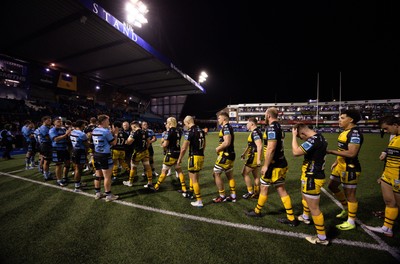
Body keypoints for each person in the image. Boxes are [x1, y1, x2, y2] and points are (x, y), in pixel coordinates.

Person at [245, 107, 297, 227]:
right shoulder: (279, 126)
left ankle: (258, 212)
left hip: (274, 165)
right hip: (280, 162)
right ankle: (290, 217)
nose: (264, 117)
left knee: (271, 189)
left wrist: (266, 165)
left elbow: (271, 148)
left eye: (265, 115)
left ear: (269, 115)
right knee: (274, 188)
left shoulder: (272, 127)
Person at [291, 123, 329, 245]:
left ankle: (322, 238)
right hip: (316, 175)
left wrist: (292, 136)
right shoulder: (321, 137)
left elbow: (296, 152)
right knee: (308, 201)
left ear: (303, 133)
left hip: (312, 177)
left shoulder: (313, 140)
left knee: (315, 208)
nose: (301, 139)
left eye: (300, 137)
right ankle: (305, 217)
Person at [326, 108, 363, 231]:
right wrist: (337, 161)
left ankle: (351, 221)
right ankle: (346, 209)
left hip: (350, 168)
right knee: (332, 186)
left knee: (350, 195)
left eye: (342, 118)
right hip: (340, 166)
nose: (339, 120)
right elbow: (343, 150)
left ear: (351, 120)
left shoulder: (355, 133)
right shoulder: (344, 132)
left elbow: (352, 153)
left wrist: (331, 152)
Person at [365, 115, 400, 237]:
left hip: (397, 176)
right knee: (389, 202)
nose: (385, 131)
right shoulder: (395, 137)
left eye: (386, 128)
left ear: (395, 125)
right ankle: (387, 228)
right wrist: (386, 152)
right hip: (388, 175)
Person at [177, 115, 206, 207]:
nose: (184, 125)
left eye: (185, 123)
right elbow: (204, 144)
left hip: (194, 157)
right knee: (194, 177)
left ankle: (199, 201)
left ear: (188, 122)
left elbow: (184, 148)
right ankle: (191, 193)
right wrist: (201, 153)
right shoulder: (200, 130)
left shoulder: (189, 132)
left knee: (194, 180)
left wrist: (179, 159)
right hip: (200, 156)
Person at [154, 117, 187, 193]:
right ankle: (184, 187)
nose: (166, 124)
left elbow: (165, 144)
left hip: (170, 154)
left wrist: (162, 144)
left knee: (164, 172)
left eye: (167, 123)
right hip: (177, 153)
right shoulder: (179, 131)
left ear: (169, 123)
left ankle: (156, 186)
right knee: (179, 171)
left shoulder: (169, 132)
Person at [92, 114, 119, 202]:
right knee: (107, 176)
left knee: (98, 175)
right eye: (108, 121)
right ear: (103, 122)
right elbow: (113, 143)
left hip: (96, 154)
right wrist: (115, 134)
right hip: (104, 155)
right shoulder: (106, 131)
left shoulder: (95, 130)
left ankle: (98, 193)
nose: (109, 122)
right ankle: (108, 195)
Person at [212, 111, 237, 203]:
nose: (218, 119)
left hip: (226, 155)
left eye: (219, 118)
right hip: (230, 154)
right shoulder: (228, 127)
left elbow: (227, 142)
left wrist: (218, 149)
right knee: (229, 175)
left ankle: (222, 196)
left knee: (216, 174)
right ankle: (233, 196)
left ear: (224, 118)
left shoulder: (226, 127)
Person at [123, 121, 154, 190]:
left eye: (132, 127)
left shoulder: (134, 133)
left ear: (134, 126)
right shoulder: (144, 132)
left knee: (133, 167)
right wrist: (145, 148)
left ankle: (130, 182)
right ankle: (150, 182)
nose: (132, 129)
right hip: (145, 152)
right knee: (148, 167)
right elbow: (148, 142)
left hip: (138, 153)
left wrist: (129, 137)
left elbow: (128, 142)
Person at [240, 117, 262, 199]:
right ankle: (256, 193)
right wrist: (244, 153)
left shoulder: (255, 133)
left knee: (244, 173)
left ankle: (250, 192)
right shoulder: (255, 132)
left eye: (247, 123)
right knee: (256, 175)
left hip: (254, 156)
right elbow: (250, 145)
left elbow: (259, 145)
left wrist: (259, 159)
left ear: (252, 124)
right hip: (254, 155)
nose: (246, 125)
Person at [49, 117, 72, 187]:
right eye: (58, 121)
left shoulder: (63, 129)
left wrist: (69, 135)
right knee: (59, 165)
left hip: (64, 148)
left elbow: (67, 138)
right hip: (57, 149)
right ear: (54, 122)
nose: (60, 122)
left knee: (68, 163)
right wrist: (65, 135)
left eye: (60, 121)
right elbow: (55, 139)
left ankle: (65, 177)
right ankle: (59, 180)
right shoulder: (52, 130)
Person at [70, 120, 90, 192]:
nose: (85, 126)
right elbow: (86, 145)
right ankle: (77, 187)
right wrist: (89, 139)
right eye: (84, 124)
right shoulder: (82, 134)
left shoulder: (73, 132)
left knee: (77, 168)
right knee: (79, 169)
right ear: (82, 125)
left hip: (74, 150)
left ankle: (78, 183)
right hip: (80, 151)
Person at [37, 116, 53, 181]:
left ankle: (46, 172)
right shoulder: (43, 128)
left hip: (46, 145)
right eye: (49, 120)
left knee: (46, 160)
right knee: (46, 161)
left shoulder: (47, 127)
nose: (50, 122)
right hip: (45, 145)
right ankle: (46, 175)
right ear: (44, 121)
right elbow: (48, 137)